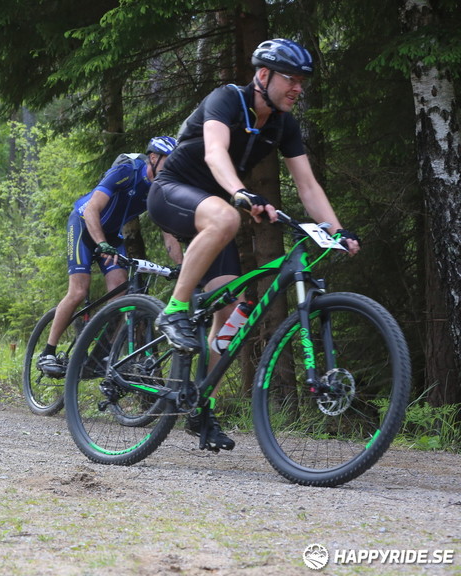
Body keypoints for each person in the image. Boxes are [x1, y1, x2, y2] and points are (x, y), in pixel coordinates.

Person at [146, 38, 361, 451]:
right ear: (264, 75)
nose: (298, 88)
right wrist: (241, 192)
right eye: (291, 80)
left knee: (230, 312)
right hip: (174, 191)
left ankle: (198, 406)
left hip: (215, 213)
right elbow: (214, 153)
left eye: (303, 82)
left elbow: (308, 185)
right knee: (226, 215)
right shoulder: (226, 99)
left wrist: (337, 230)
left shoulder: (283, 124)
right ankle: (173, 311)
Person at [37, 136, 182, 377]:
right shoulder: (127, 170)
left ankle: (103, 354)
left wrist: (182, 267)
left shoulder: (160, 188)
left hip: (112, 236)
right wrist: (101, 243)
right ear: (154, 158)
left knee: (120, 295)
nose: (173, 167)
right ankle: (48, 352)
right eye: (170, 161)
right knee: (79, 291)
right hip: (84, 225)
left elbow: (169, 234)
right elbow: (93, 209)